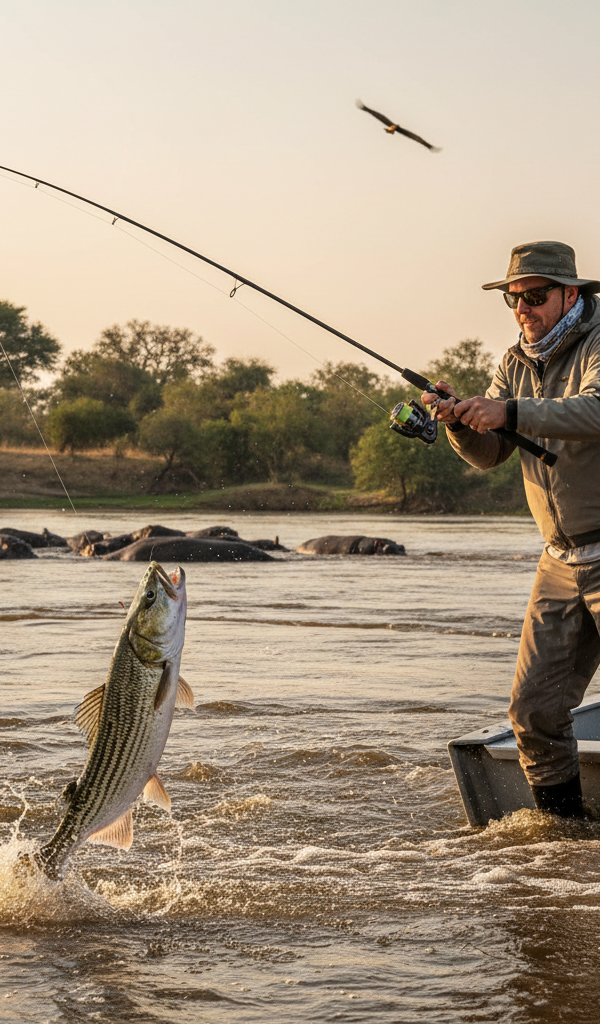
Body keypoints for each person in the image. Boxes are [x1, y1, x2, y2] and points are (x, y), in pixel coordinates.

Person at [423, 240, 600, 818]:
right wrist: (459, 420)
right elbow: (490, 452)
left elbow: (596, 409)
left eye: (535, 295)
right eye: (514, 299)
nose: (523, 308)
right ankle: (563, 842)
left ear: (570, 294)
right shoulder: (513, 360)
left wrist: (511, 411)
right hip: (559, 560)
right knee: (532, 712)